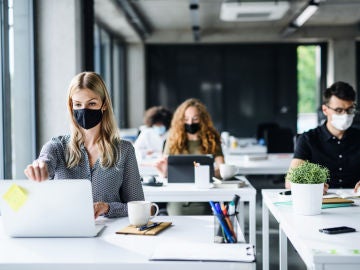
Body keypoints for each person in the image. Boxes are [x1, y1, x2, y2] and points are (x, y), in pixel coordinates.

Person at [24, 71, 144, 218]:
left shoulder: (124, 150)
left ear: (104, 104)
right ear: (71, 106)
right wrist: (39, 168)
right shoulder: (57, 147)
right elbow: (44, 162)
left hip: (111, 234)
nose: (84, 110)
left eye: (92, 103)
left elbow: (138, 206)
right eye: (78, 104)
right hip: (65, 231)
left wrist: (107, 208)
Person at [285, 81, 360, 193]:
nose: (345, 115)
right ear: (325, 110)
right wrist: (311, 186)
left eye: (349, 110)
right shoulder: (308, 139)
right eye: (339, 110)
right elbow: (290, 181)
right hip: (320, 203)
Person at [155, 98, 225, 215]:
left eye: (195, 118)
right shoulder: (173, 139)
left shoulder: (212, 139)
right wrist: (163, 173)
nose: (190, 123)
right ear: (181, 120)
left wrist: (206, 173)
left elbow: (222, 168)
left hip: (204, 198)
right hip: (178, 198)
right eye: (186, 119)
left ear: (202, 120)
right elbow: (166, 168)